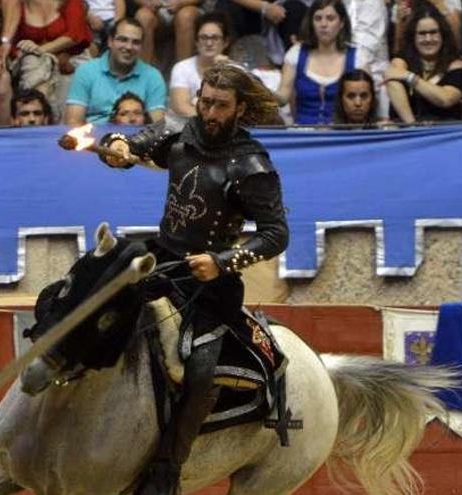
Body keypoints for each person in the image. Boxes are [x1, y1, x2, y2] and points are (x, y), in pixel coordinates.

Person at [102, 64, 288, 495]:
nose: (209, 112)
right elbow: (138, 143)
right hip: (161, 256)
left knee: (201, 368)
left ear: (240, 108)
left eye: (220, 106)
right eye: (205, 101)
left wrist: (223, 261)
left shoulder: (253, 165)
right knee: (98, 288)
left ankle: (168, 468)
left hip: (209, 279)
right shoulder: (181, 131)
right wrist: (118, 146)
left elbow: (276, 234)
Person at [64, 18, 167, 125]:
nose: (129, 47)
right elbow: (73, 121)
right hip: (93, 138)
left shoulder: (153, 76)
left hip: (136, 138)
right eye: (123, 40)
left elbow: (157, 125)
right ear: (110, 41)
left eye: (136, 42)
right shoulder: (86, 71)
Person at [274, 0, 357, 125]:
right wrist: (261, 92)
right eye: (318, 18)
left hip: (342, 135)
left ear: (342, 23)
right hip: (305, 136)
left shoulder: (358, 57)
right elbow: (283, 97)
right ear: (311, 23)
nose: (323, 24)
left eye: (330, 18)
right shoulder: (295, 53)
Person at [385, 5, 462, 123]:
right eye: (422, 34)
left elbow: (446, 99)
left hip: (445, 133)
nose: (428, 39)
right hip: (407, 132)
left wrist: (410, 77)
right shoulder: (401, 61)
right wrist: (413, 126)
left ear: (442, 35)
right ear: (413, 37)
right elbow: (392, 81)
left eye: (433, 32)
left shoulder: (456, 65)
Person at [169, 12, 232, 117]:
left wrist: (225, 71)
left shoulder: (235, 70)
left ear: (226, 42)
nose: (209, 43)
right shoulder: (182, 68)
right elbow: (181, 107)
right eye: (204, 38)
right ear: (196, 42)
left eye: (215, 38)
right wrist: (212, 119)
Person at [134, 0, 201, 64]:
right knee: (143, 17)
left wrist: (182, 2)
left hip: (188, 6)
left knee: (185, 16)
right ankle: (145, 72)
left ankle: (184, 72)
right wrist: (147, 2)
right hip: (156, 11)